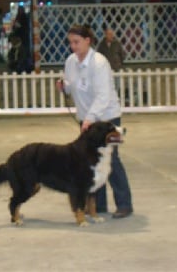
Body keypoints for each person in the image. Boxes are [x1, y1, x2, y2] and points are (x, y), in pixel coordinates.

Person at [56, 24, 133, 219]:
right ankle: (98, 206)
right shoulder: (70, 62)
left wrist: (89, 119)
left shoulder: (100, 63)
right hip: (86, 120)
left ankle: (124, 204)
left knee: (112, 160)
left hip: (108, 117)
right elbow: (71, 86)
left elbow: (103, 96)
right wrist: (63, 87)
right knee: (91, 162)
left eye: (76, 42)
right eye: (70, 42)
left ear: (87, 41)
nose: (73, 46)